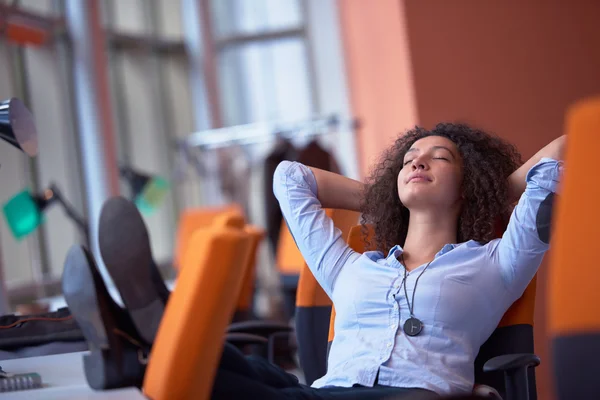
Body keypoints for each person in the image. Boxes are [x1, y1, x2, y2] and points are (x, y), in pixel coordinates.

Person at [211, 123, 565, 399]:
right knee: (217, 364)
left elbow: (566, 148)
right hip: (328, 392)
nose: (417, 162)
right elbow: (289, 177)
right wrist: (385, 198)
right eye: (409, 158)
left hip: (413, 396)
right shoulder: (349, 268)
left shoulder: (496, 264)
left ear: (465, 184)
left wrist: (485, 195)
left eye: (440, 157)